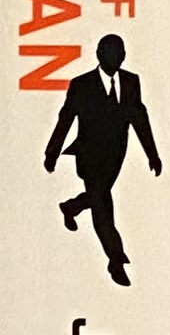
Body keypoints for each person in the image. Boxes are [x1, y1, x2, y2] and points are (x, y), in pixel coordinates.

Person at [41, 30, 160, 286]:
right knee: (103, 207)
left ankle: (71, 207)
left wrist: (153, 155)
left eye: (118, 54)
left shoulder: (131, 83)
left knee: (97, 198)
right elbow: (65, 119)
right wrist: (52, 152)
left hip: (115, 158)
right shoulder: (81, 85)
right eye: (109, 53)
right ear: (98, 55)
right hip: (89, 157)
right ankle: (116, 260)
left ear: (124, 56)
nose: (114, 58)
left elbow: (139, 118)